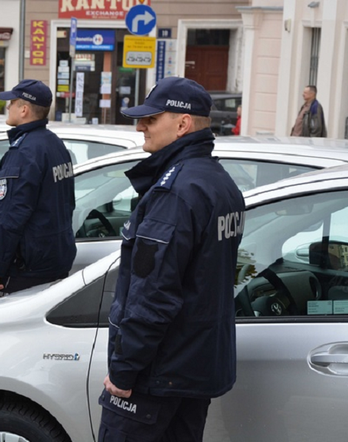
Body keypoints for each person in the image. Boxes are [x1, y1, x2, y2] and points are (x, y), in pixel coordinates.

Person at [98, 76, 245, 442]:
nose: (140, 126)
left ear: (182, 125)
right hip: (192, 371)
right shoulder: (219, 183)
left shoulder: (176, 192)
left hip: (156, 374)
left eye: (151, 119)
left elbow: (154, 293)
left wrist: (124, 369)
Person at [0, 79, 76, 303]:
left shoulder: (24, 152)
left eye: (12, 103)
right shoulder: (55, 144)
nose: (8, 107)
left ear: (24, 110)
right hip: (52, 258)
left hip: (25, 267)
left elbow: (12, 216)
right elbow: (67, 204)